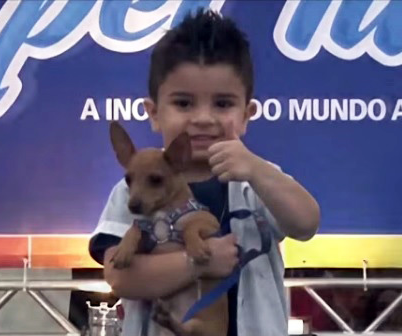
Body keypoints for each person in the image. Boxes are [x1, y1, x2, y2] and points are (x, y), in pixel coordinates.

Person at [88, 8, 320, 336]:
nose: (203, 118)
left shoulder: (255, 183)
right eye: (183, 103)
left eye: (223, 104)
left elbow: (306, 223)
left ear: (246, 115)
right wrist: (200, 262)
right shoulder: (132, 190)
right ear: (153, 113)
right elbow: (120, 277)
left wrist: (256, 169)